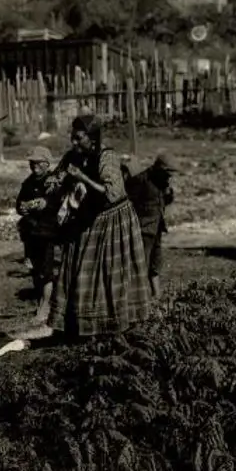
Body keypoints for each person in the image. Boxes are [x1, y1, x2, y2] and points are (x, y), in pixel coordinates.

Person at [44, 115, 152, 338]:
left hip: (113, 220)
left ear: (92, 137)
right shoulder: (72, 156)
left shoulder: (107, 157)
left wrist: (82, 177)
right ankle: (77, 324)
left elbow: (111, 193)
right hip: (88, 220)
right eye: (72, 137)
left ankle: (114, 324)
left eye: (79, 138)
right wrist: (52, 182)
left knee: (110, 273)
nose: (74, 142)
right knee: (80, 270)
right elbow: (59, 175)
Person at [16, 146, 70, 320]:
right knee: (34, 267)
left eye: (38, 163)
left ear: (47, 164)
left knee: (45, 270)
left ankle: (45, 306)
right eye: (32, 163)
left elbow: (59, 204)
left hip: (47, 232)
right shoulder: (28, 182)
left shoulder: (53, 183)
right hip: (31, 232)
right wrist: (22, 208)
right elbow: (19, 203)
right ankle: (41, 300)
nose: (34, 166)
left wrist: (46, 203)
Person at [125, 154, 177, 298]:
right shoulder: (141, 180)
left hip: (157, 228)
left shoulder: (162, 182)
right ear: (159, 169)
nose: (169, 178)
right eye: (167, 174)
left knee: (155, 264)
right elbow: (128, 203)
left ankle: (156, 296)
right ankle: (138, 299)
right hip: (143, 230)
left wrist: (169, 194)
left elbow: (163, 202)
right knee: (141, 264)